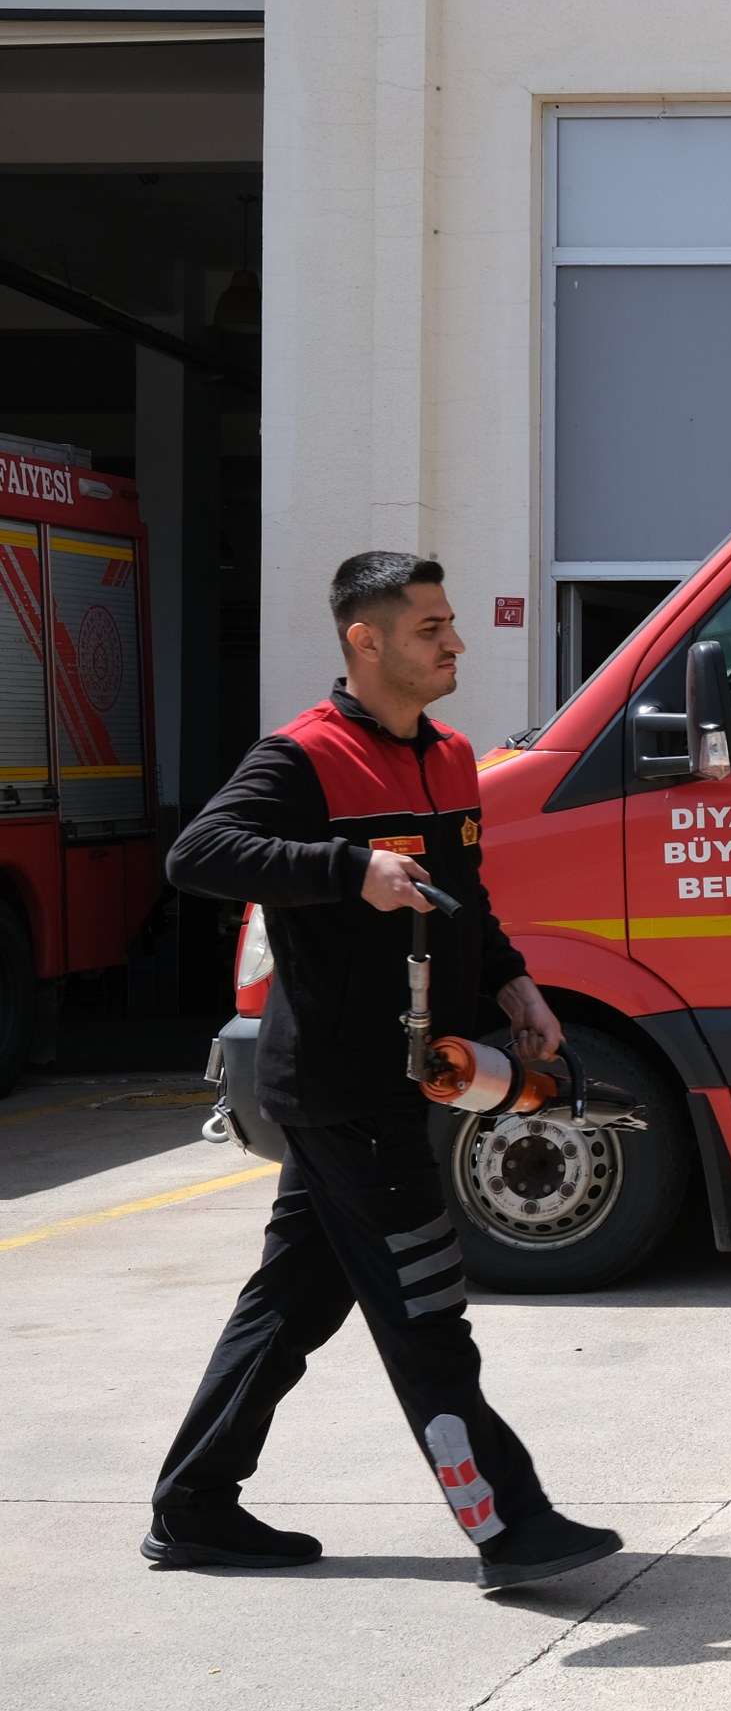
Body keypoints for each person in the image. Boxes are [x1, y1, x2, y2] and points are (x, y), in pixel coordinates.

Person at [144, 552, 622, 1592]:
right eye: (429, 628)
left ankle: (194, 1506)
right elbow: (196, 855)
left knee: (289, 1304)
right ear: (364, 640)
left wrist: (512, 985)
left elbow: (466, 898)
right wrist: (345, 868)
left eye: (451, 623)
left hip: (399, 1079)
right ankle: (512, 1525)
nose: (455, 643)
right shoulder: (302, 757)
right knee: (427, 1310)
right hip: (340, 1084)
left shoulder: (450, 756)